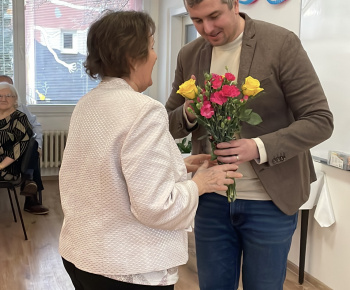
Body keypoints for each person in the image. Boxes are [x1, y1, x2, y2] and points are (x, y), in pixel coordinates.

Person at [58, 10, 242, 290]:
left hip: (81, 253)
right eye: (152, 46)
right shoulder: (145, 109)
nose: (155, 56)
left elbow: (107, 166)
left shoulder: (87, 104)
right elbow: (157, 207)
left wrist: (179, 163)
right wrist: (200, 184)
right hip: (126, 265)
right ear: (133, 58)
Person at [165, 0, 334, 289]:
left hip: (270, 202)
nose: (207, 29)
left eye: (214, 16)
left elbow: (320, 120)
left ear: (233, 4)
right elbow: (167, 124)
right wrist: (190, 112)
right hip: (211, 199)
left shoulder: (281, 43)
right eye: (196, 21)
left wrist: (258, 146)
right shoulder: (189, 54)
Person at [0, 75, 49, 215]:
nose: (4, 97)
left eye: (9, 93)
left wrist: (38, 145)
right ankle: (28, 181)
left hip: (17, 152)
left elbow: (35, 127)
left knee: (31, 148)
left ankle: (30, 196)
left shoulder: (20, 109)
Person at [0, 82, 33, 182]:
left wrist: (1, 165)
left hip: (7, 167)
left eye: (8, 96)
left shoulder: (19, 118)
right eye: (0, 96)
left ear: (15, 99)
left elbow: (20, 145)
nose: (3, 99)